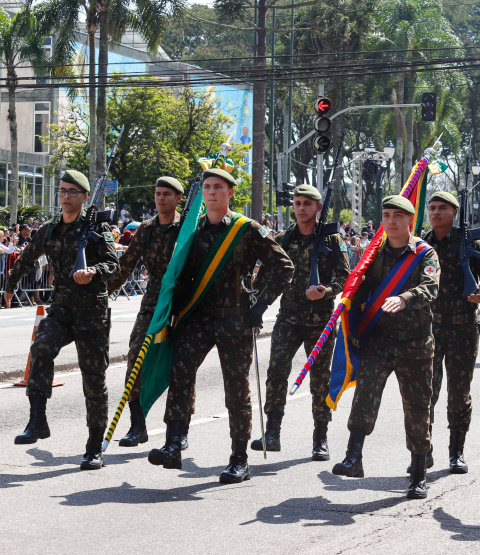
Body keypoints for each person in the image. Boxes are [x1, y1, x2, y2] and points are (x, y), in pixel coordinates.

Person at [147, 168, 293, 484]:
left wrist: (260, 305)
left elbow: (284, 268)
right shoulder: (192, 230)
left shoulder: (248, 230)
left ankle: (239, 459)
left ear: (230, 193)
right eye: (207, 187)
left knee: (236, 388)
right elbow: (178, 274)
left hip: (235, 320)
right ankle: (173, 443)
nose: (211, 192)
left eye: (217, 187)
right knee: (180, 373)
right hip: (197, 317)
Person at [5, 170, 120, 469]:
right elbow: (27, 258)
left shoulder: (96, 228)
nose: (65, 196)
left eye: (71, 191)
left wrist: (93, 271)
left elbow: (113, 263)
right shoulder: (49, 229)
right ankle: (37, 421)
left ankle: (94, 447)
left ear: (84, 197)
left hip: (92, 312)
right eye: (62, 191)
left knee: (94, 380)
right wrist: (9, 285)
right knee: (41, 348)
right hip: (62, 309)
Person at [331, 195, 440, 500]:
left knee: (417, 408)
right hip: (380, 339)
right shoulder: (373, 253)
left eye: (397, 216)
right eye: (386, 215)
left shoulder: (424, 253)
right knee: (365, 394)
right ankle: (354, 457)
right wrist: (346, 300)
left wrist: (405, 298)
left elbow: (431, 287)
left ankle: (418, 474)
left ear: (410, 219)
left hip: (415, 342)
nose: (391, 221)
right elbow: (360, 285)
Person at [250, 184, 350, 459]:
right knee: (277, 370)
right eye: (297, 203)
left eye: (307, 203)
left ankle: (320, 437)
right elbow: (267, 274)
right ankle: (272, 432)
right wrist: (254, 304)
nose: (301, 207)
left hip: (322, 319)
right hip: (289, 317)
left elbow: (346, 277)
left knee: (319, 378)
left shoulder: (332, 240)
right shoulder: (283, 239)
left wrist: (326, 291)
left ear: (318, 207)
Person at [422, 191, 480, 474]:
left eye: (442, 208)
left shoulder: (471, 242)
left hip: (463, 328)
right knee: (425, 392)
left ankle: (457, 451)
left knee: (459, 393)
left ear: (455, 213)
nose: (436, 213)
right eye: (432, 208)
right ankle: (423, 450)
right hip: (430, 327)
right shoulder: (422, 244)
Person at [107, 177, 186, 448]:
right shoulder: (146, 229)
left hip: (183, 302)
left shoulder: (188, 228)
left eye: (167, 194)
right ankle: (137, 425)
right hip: (152, 301)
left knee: (182, 364)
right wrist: (101, 291)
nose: (160, 198)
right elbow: (126, 264)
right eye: (157, 194)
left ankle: (179, 429)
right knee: (136, 358)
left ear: (178, 198)